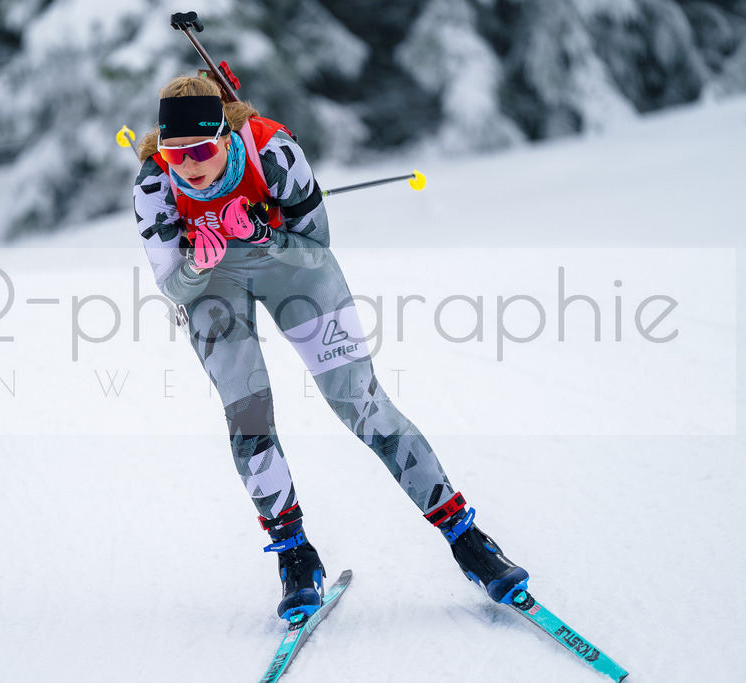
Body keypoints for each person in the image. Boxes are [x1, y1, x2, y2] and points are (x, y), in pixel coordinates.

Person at [132, 74, 528, 622]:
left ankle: (468, 539)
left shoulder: (272, 153)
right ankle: (295, 556)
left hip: (294, 269)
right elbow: (173, 286)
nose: (189, 165)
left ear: (225, 134)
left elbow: (317, 249)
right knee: (247, 413)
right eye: (175, 154)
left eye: (200, 149)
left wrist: (263, 236)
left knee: (361, 403)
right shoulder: (154, 186)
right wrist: (197, 263)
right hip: (212, 283)